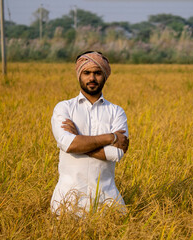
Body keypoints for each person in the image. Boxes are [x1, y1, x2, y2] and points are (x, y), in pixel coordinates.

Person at [50, 51, 129, 215]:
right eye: (87, 73)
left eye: (97, 73)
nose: (92, 78)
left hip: (107, 201)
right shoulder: (64, 108)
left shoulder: (116, 111)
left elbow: (116, 153)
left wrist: (78, 143)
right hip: (67, 201)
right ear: (79, 75)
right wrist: (110, 137)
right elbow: (68, 144)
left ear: (105, 76)